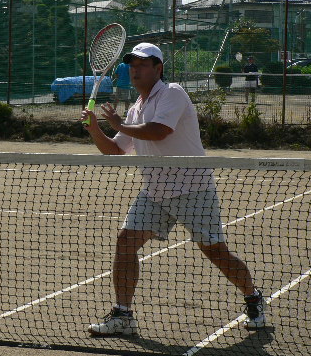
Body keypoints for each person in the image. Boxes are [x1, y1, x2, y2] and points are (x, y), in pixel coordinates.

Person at [80, 42, 266, 337]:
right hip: (154, 192)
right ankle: (123, 315)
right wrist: (95, 129)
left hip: (193, 189)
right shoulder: (136, 108)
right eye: (132, 65)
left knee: (216, 253)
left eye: (143, 64)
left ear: (158, 68)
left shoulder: (173, 93)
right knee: (125, 243)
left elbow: (158, 131)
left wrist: (118, 123)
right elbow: (115, 150)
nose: (136, 70)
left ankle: (253, 298)